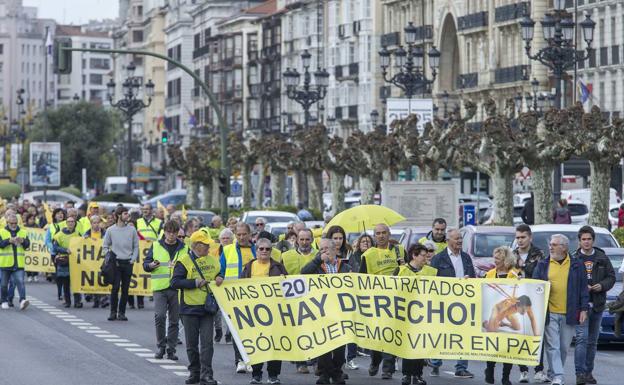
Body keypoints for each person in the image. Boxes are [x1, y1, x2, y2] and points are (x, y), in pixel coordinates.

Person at [533, 234, 589, 385]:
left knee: (563, 347)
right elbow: (534, 286)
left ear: (564, 248)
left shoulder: (577, 265)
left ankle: (552, 373)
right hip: (549, 312)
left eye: (554, 244)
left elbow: (583, 289)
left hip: (569, 312)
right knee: (553, 346)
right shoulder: (543, 264)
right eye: (550, 244)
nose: (550, 247)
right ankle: (558, 376)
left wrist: (584, 309)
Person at [171, 230, 222, 385]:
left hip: (208, 308)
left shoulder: (213, 260)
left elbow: (219, 273)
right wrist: (194, 283)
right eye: (206, 245)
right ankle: (195, 372)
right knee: (192, 345)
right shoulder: (184, 261)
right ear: (197, 246)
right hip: (189, 308)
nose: (208, 247)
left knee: (207, 343)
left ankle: (207, 375)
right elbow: (175, 282)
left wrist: (221, 277)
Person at [302, 238, 350, 385]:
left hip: (340, 311)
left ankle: (330, 373)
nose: (323, 252)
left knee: (340, 348)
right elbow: (303, 273)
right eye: (321, 249)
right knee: (324, 345)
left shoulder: (345, 266)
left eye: (326, 249)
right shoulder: (316, 265)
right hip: (321, 310)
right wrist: (318, 260)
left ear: (334, 249)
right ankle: (332, 375)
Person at [359, 224, 405, 379]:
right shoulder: (368, 254)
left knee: (392, 333)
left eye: (384, 233)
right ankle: (375, 360)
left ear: (389, 234)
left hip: (396, 299)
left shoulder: (400, 250)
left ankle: (388, 368)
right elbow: (362, 278)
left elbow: (408, 271)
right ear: (374, 236)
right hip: (376, 300)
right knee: (378, 335)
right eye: (378, 233)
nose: (381, 236)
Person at [240, 237, 287, 385]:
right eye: (261, 249)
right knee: (257, 343)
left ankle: (273, 375)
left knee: (275, 344)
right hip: (254, 313)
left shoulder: (278, 267)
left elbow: (287, 289)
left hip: (275, 312)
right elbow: (239, 288)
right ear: (256, 250)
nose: (264, 251)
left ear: (271, 251)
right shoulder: (248, 267)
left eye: (268, 249)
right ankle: (256, 374)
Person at [430, 228, 475, 378]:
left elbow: (474, 280)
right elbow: (432, 282)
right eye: (456, 239)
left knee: (464, 335)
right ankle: (435, 363)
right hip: (444, 304)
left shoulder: (466, 258)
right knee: (442, 334)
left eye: (461, 238)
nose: (460, 241)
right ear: (448, 241)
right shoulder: (438, 259)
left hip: (463, 304)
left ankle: (461, 367)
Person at [573, 226, 615, 385]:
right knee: (581, 339)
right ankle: (580, 374)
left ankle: (588, 372)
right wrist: (582, 288)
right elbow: (570, 282)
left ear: (593, 240)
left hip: (597, 304)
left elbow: (611, 277)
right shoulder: (574, 259)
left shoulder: (602, 257)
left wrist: (602, 286)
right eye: (583, 239)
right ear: (579, 241)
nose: (586, 242)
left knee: (592, 341)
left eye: (589, 239)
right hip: (580, 307)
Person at [483, 246, 530, 385]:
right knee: (493, 340)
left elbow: (524, 287)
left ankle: (505, 377)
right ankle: (490, 370)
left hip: (509, 308)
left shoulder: (515, 274)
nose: (495, 260)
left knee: (509, 343)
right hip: (497, 307)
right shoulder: (490, 273)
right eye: (495, 257)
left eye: (498, 258)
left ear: (506, 260)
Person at [144, 220, 188, 361]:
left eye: (174, 232)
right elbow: (146, 264)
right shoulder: (156, 245)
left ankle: (171, 349)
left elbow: (190, 267)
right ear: (165, 232)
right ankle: (161, 346)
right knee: (160, 316)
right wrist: (151, 265)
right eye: (168, 232)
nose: (171, 235)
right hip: (160, 288)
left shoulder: (184, 248)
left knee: (174, 320)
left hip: (177, 288)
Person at [394, 244, 437, 385]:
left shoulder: (431, 272)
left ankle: (417, 375)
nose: (426, 258)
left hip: (424, 315)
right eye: (423, 255)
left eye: (427, 255)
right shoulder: (400, 271)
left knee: (420, 345)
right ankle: (407, 375)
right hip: (405, 314)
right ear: (414, 255)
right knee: (407, 346)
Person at [512, 224, 547, 383]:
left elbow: (543, 276)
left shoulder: (539, 254)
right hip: (517, 301)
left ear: (530, 237)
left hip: (536, 300)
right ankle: (523, 370)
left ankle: (539, 369)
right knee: (520, 334)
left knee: (536, 334)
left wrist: (527, 277)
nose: (520, 240)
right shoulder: (511, 255)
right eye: (517, 237)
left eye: (523, 237)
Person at [220, 222, 255, 373]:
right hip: (233, 296)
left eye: (244, 234)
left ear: (250, 234)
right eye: (238, 234)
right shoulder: (227, 250)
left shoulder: (258, 249)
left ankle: (252, 360)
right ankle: (240, 360)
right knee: (237, 330)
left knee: (253, 330)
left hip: (254, 296)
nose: (241, 237)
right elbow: (220, 271)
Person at [103, 206, 139, 321]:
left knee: (125, 289)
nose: (127, 216)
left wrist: (133, 259)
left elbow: (136, 246)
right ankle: (113, 312)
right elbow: (105, 246)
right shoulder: (110, 230)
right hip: (116, 263)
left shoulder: (132, 230)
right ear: (118, 215)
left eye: (127, 214)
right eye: (125, 214)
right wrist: (110, 256)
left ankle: (122, 312)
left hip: (128, 262)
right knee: (115, 287)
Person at [0, 213, 31, 310]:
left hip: (19, 263)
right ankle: (4, 300)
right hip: (5, 263)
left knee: (20, 282)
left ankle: (22, 300)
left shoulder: (23, 232)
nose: (14, 225)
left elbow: (27, 245)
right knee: (4, 284)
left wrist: (22, 241)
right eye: (11, 223)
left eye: (15, 223)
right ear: (7, 222)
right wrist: (9, 241)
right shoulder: (1, 232)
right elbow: (0, 244)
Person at [52, 215, 82, 308]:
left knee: (76, 282)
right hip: (64, 260)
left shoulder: (78, 233)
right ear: (66, 223)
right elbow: (55, 247)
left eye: (72, 221)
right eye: (69, 221)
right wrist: (65, 250)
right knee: (66, 282)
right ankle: (67, 301)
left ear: (75, 223)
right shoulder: (59, 235)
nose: (70, 223)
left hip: (75, 260)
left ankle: (77, 301)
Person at [83, 215, 109, 308]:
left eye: (98, 222)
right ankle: (95, 299)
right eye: (94, 223)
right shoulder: (86, 234)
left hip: (102, 260)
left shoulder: (105, 233)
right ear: (91, 224)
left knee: (102, 279)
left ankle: (104, 299)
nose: (97, 224)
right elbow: (81, 245)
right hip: (91, 261)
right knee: (93, 280)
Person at [46, 208, 67, 301]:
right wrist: (53, 247)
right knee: (59, 274)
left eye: (62, 213)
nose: (60, 215)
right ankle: (60, 292)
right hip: (56, 254)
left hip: (67, 253)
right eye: (58, 213)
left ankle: (66, 292)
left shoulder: (68, 225)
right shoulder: (51, 226)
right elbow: (47, 241)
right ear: (54, 216)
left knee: (67, 275)